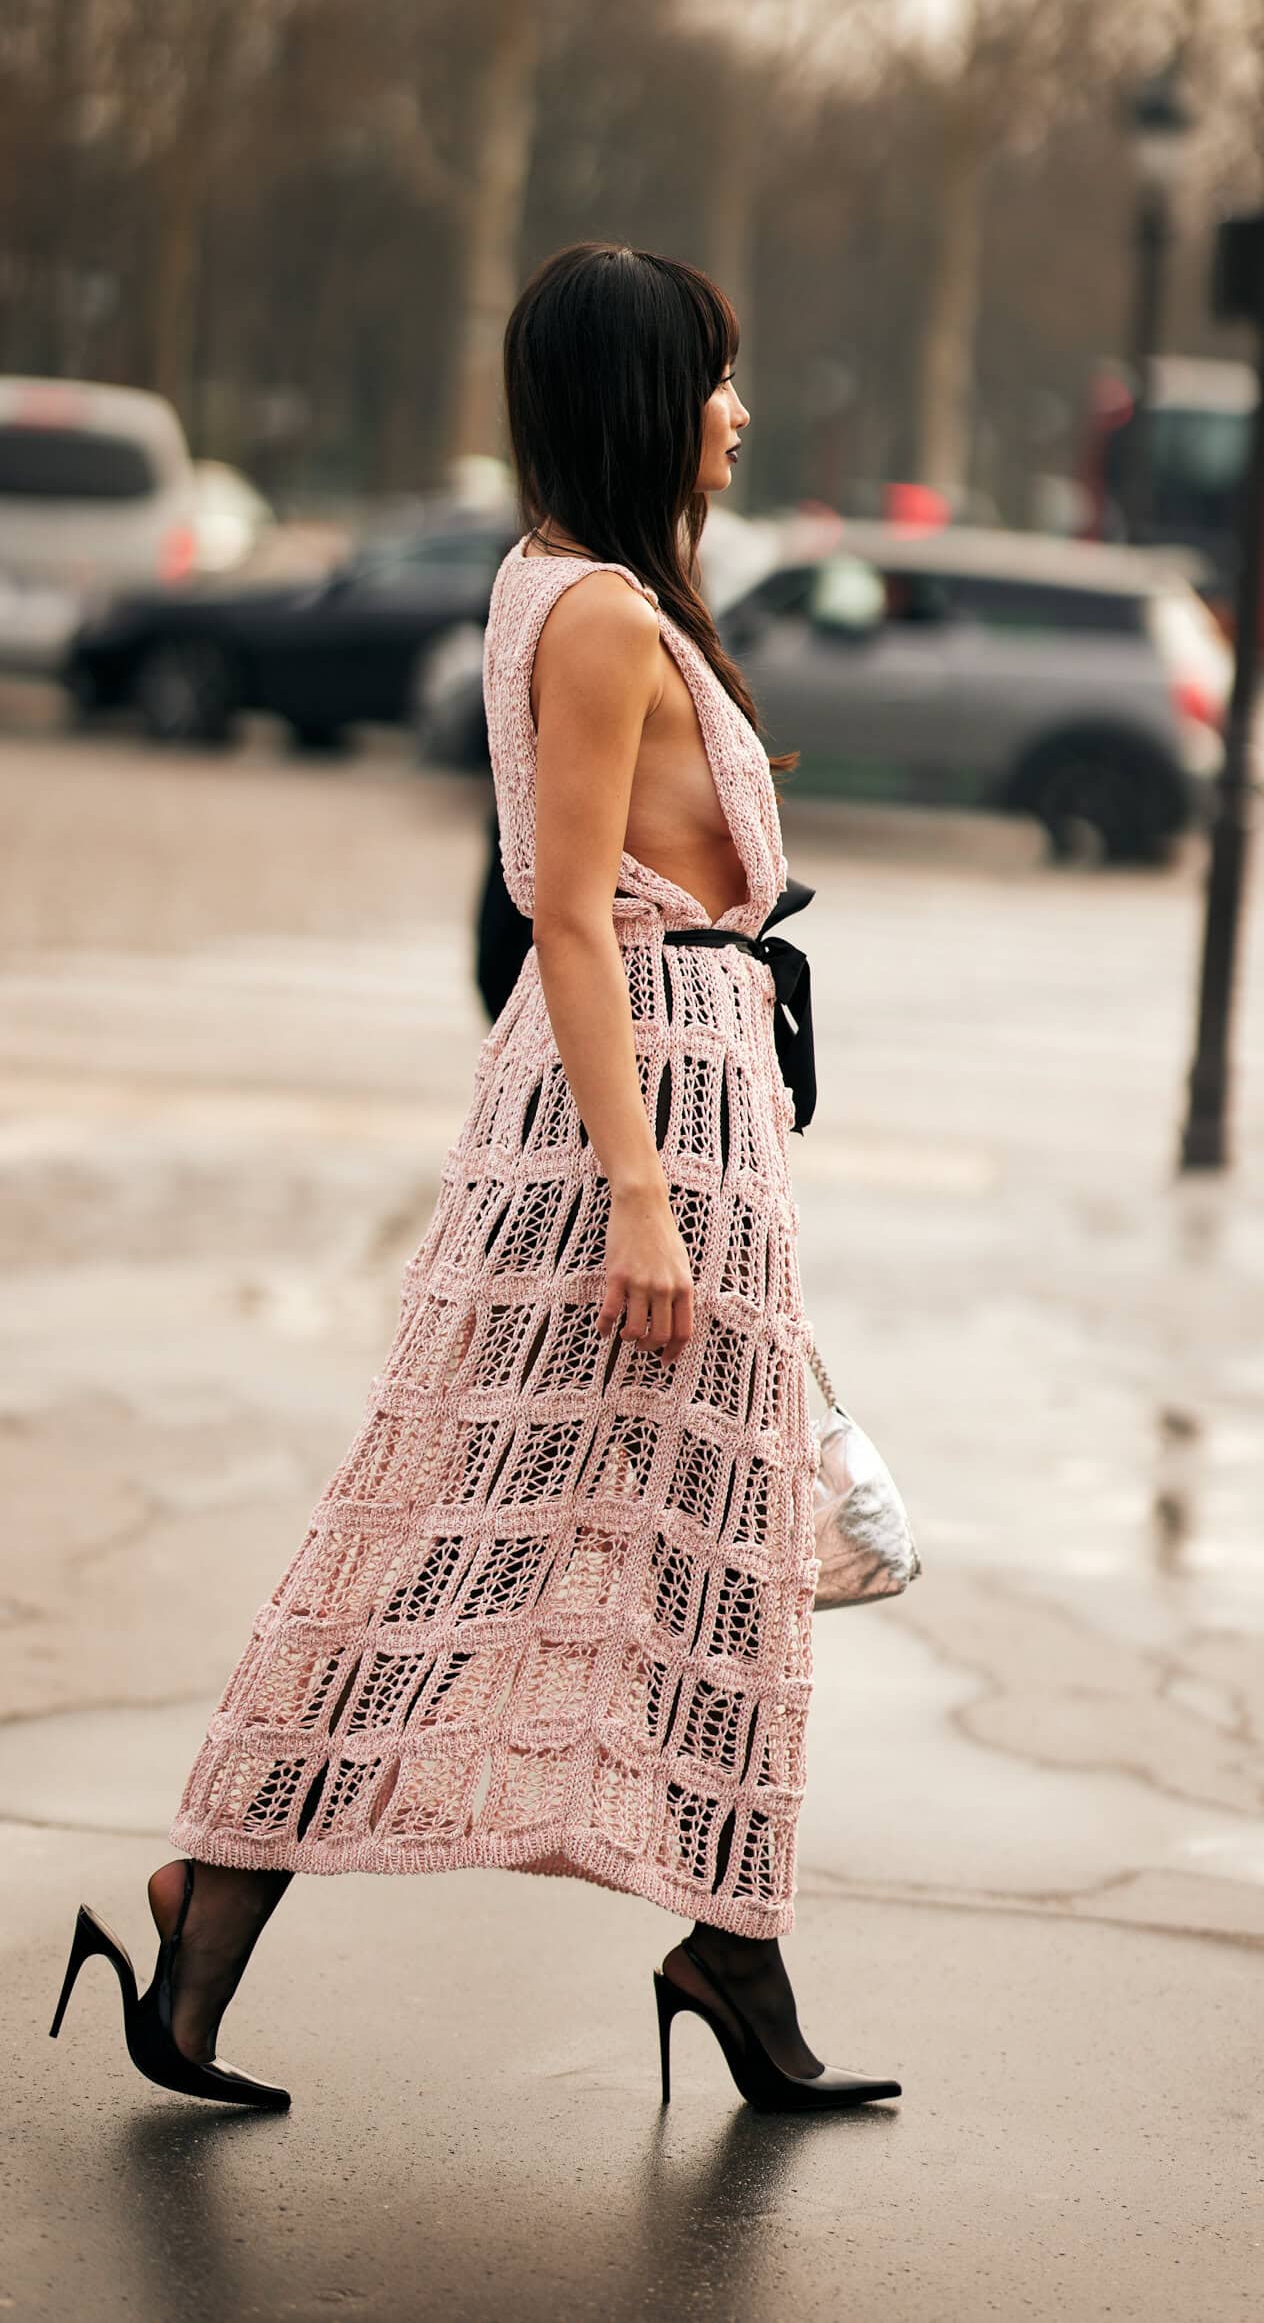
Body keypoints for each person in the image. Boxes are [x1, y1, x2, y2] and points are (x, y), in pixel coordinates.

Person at [49, 240, 898, 2118]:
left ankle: (722, 1948)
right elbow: (576, 922)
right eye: (713, 379)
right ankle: (223, 1893)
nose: (738, 414)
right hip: (635, 1122)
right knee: (474, 1534)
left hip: (672, 1103)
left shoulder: (572, 588)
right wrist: (641, 1193)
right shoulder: (596, 614)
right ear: (637, 398)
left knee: (672, 1555)